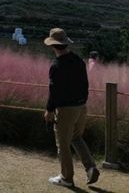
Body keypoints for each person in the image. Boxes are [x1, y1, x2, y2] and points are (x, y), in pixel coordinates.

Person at [43, 28, 100, 188]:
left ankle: (66, 177)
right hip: (81, 106)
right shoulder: (78, 61)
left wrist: (49, 109)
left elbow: (54, 91)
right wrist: (82, 101)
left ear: (53, 46)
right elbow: (85, 85)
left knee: (62, 144)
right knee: (76, 137)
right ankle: (90, 167)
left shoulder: (56, 65)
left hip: (66, 109)